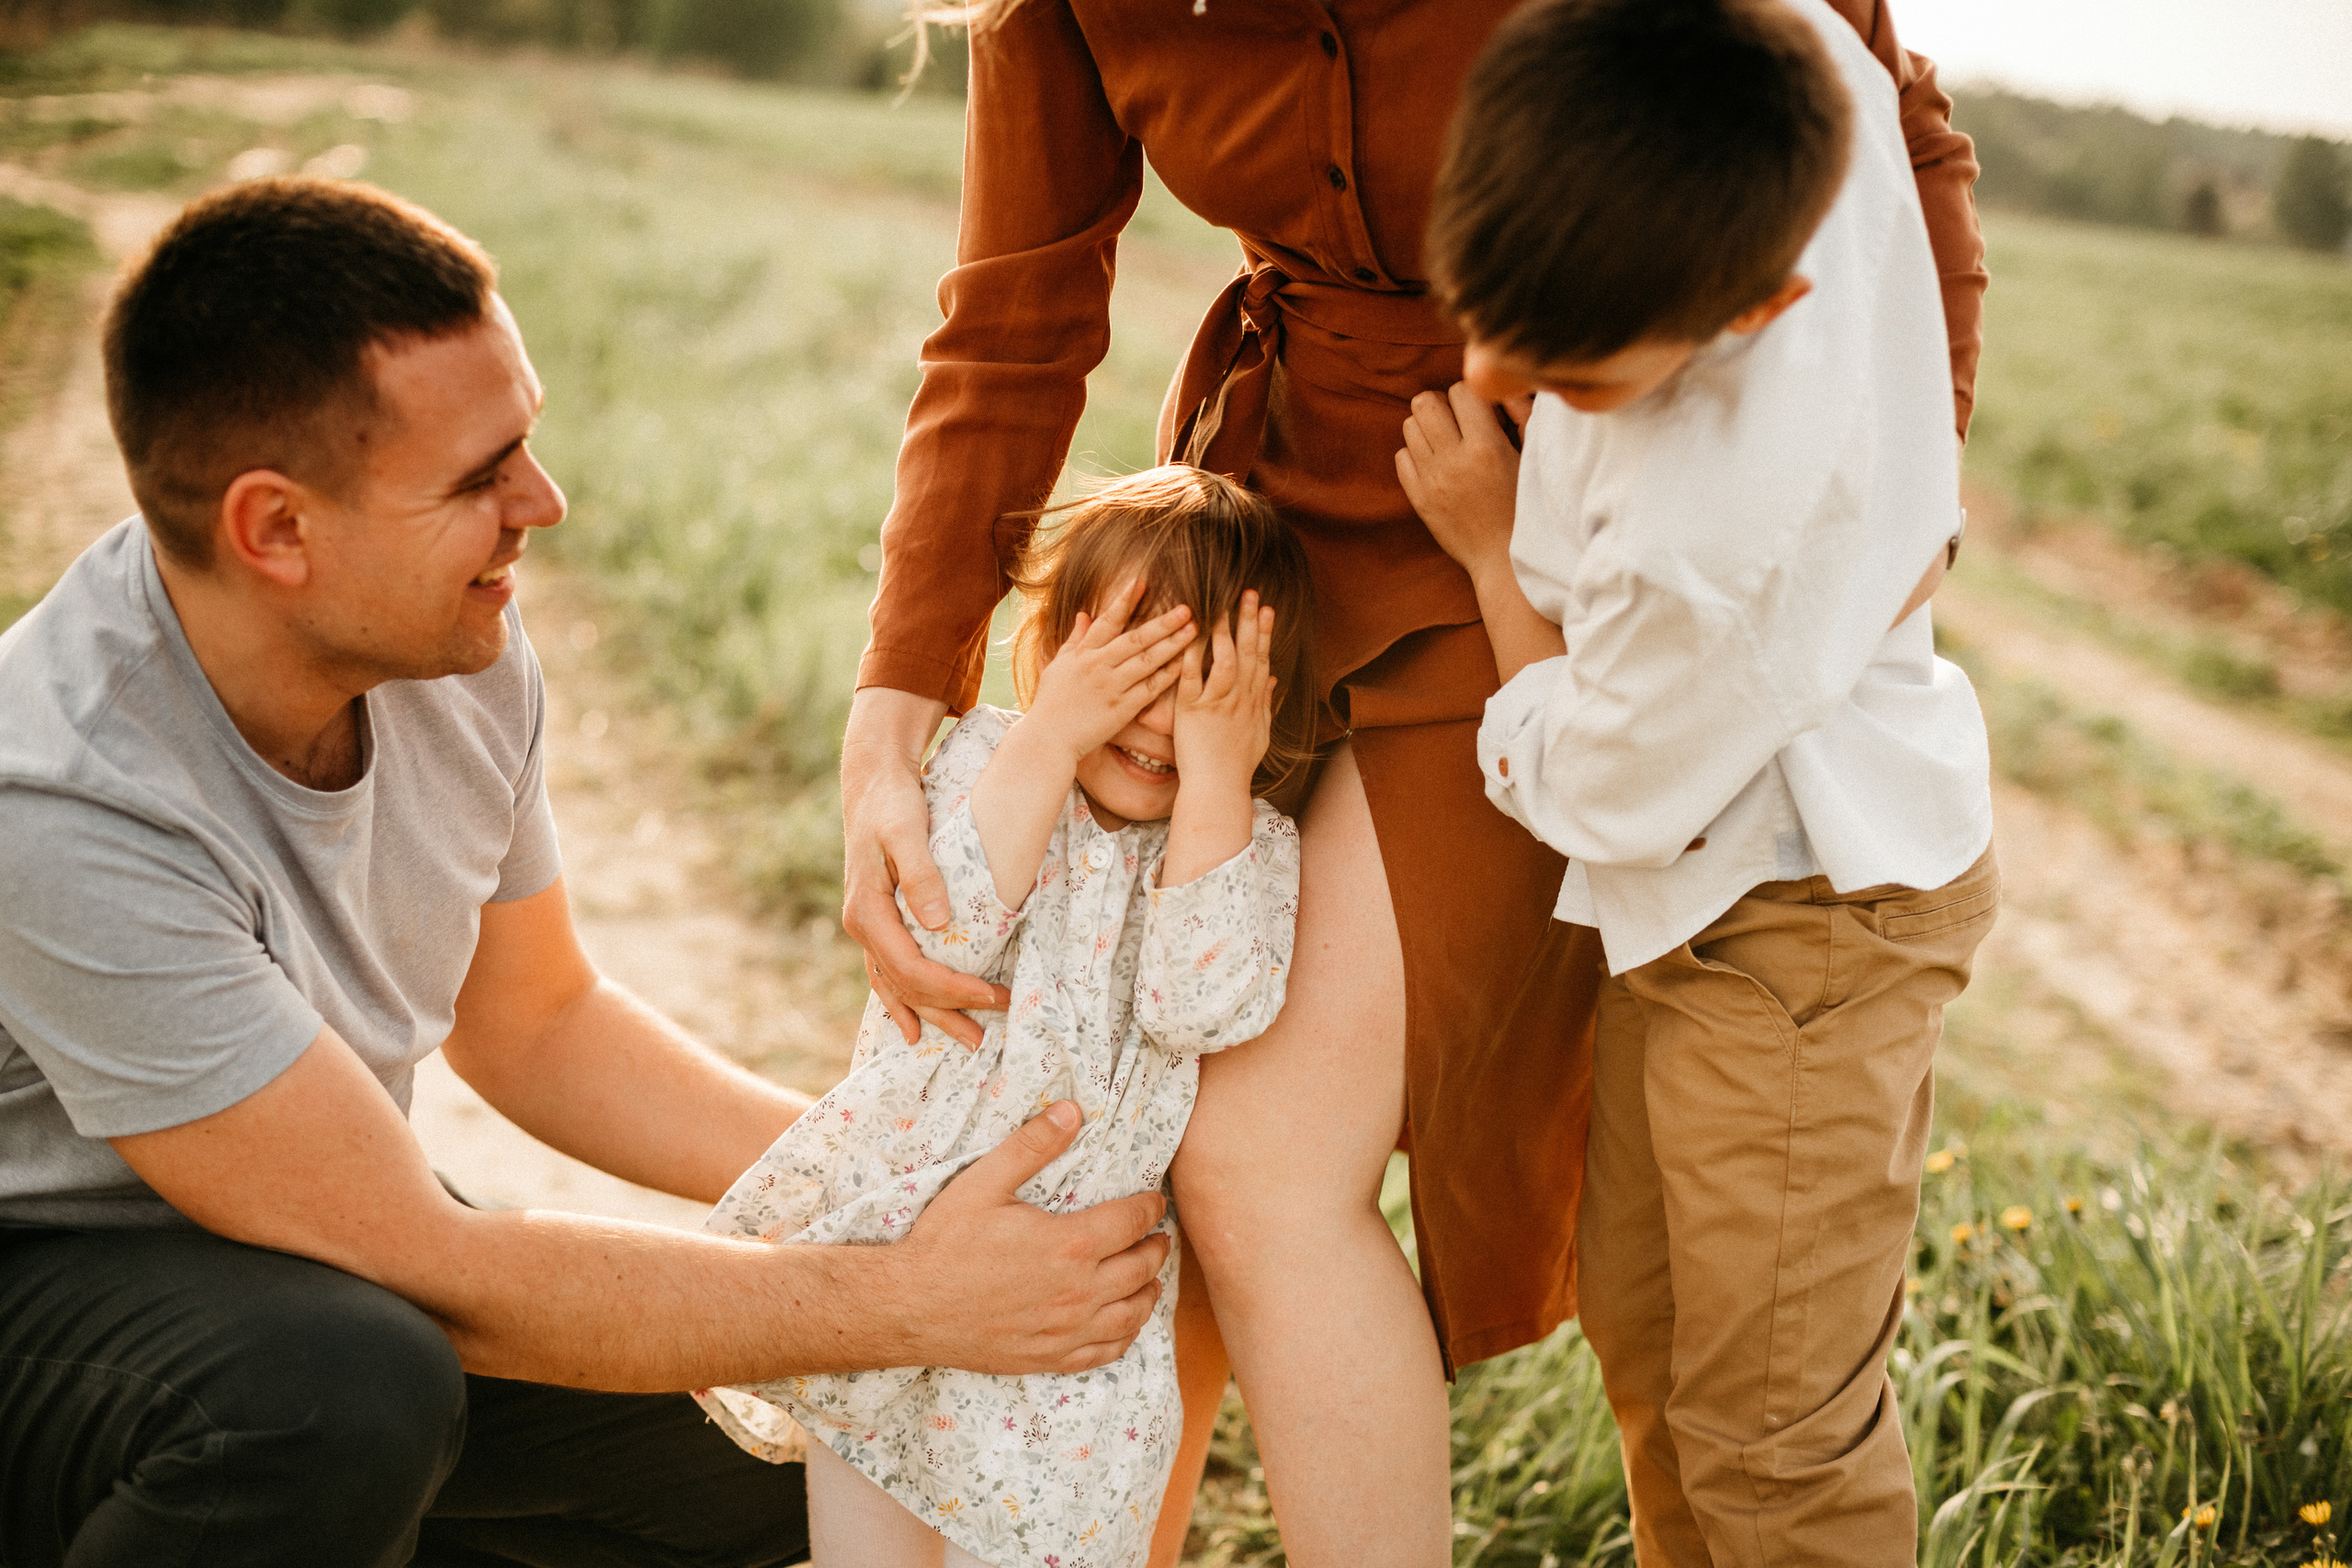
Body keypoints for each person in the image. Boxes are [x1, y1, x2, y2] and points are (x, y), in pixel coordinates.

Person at [842, 1, 1989, 1561]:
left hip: (1533, 556)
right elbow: (1010, 313)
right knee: (1118, 1107)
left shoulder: (1663, 522)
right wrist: (894, 708)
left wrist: (1891, 493)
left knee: (1258, 1161)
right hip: (1263, 539)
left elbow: (1884, 131)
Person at [0, 176, 1170, 1568]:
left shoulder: (449, 645)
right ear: (277, 530)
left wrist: (906, 1170)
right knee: (343, 1389)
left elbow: (541, 1023)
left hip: (281, 1255)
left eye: (527, 443)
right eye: (477, 474)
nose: (540, 505)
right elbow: (432, 1262)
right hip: (52, 1293)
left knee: (775, 1452)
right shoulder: (63, 799)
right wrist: (914, 1296)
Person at [1396, 1, 1999, 1562]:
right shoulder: (1771, 59)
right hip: (1703, 909)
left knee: (1774, 1437)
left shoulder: (1703, 541)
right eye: (1481, 309)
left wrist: (1485, 542)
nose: (1493, 374)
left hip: (1798, 915)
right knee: (1656, 1347)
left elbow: (1603, 780)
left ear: (1760, 304)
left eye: (1575, 384)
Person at [699, 466, 1313, 1568]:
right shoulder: (984, 757)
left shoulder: (1243, 849)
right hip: (899, 1232)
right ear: (1063, 649)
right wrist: (1048, 738)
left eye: (1204, 697)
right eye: (1133, 672)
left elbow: (1199, 1007)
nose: (1162, 725)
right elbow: (944, 933)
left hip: (1076, 1317)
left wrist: (1220, 786)